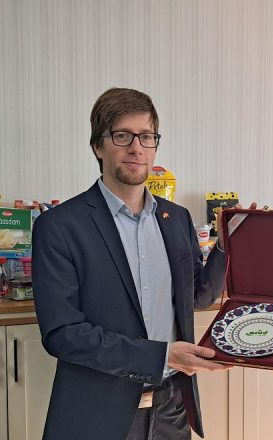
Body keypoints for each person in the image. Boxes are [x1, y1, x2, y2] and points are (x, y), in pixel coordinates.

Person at [33, 88, 242, 440]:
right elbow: (63, 335)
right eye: (122, 136)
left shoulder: (176, 218)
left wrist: (224, 245)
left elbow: (198, 296)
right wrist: (162, 356)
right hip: (98, 414)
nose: (136, 148)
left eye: (147, 136)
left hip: (172, 408)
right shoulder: (59, 226)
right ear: (98, 146)